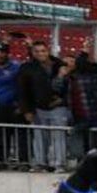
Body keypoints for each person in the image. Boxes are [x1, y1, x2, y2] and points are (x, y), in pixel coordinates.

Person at [17, 40, 70, 170]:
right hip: (38, 107)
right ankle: (41, 163)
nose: (40, 53)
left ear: (48, 51)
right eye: (37, 51)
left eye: (43, 51)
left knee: (59, 136)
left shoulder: (60, 65)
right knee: (40, 136)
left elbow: (69, 87)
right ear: (32, 53)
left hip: (58, 107)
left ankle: (59, 164)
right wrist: (27, 110)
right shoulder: (27, 68)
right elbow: (22, 90)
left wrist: (62, 100)